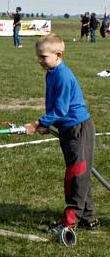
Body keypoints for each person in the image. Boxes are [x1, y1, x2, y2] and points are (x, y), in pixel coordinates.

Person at [23, 33, 98, 234]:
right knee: (78, 172)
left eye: (43, 57)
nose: (40, 61)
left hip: (78, 129)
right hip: (68, 129)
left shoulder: (63, 76)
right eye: (38, 56)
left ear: (58, 55)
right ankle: (88, 217)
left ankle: (70, 220)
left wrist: (37, 123)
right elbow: (55, 106)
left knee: (76, 174)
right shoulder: (52, 72)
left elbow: (62, 109)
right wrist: (48, 123)